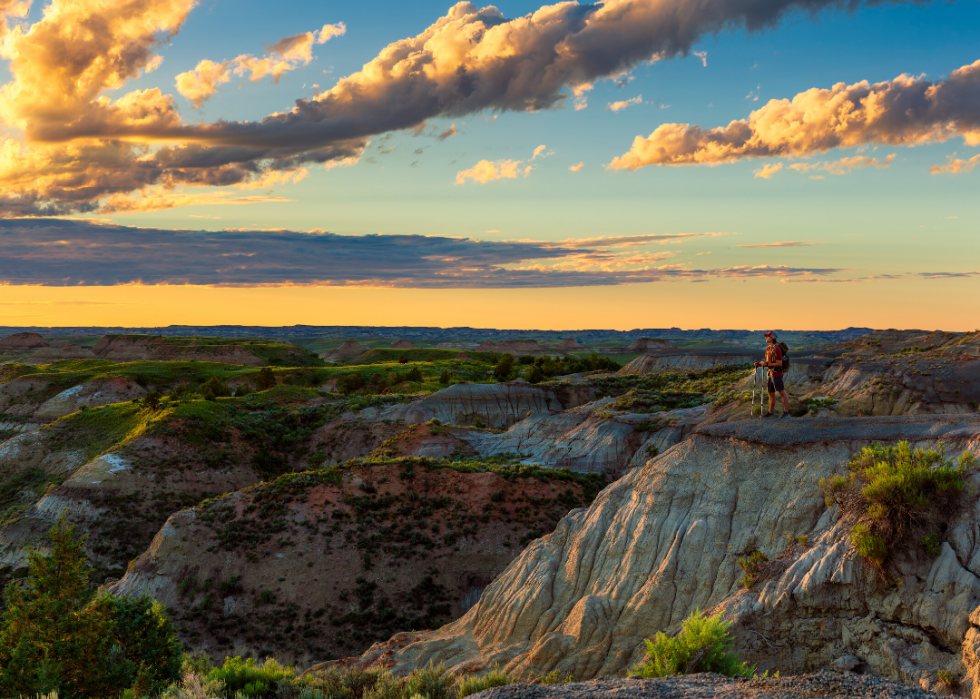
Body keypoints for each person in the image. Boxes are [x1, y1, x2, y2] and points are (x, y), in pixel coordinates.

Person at [755, 331, 790, 419]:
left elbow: (779, 363)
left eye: (768, 336)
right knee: (771, 393)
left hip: (777, 373)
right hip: (770, 373)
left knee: (782, 392)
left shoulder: (776, 348)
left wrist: (767, 365)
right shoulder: (768, 348)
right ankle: (771, 413)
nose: (766, 338)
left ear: (772, 338)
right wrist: (760, 365)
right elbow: (768, 362)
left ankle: (786, 412)